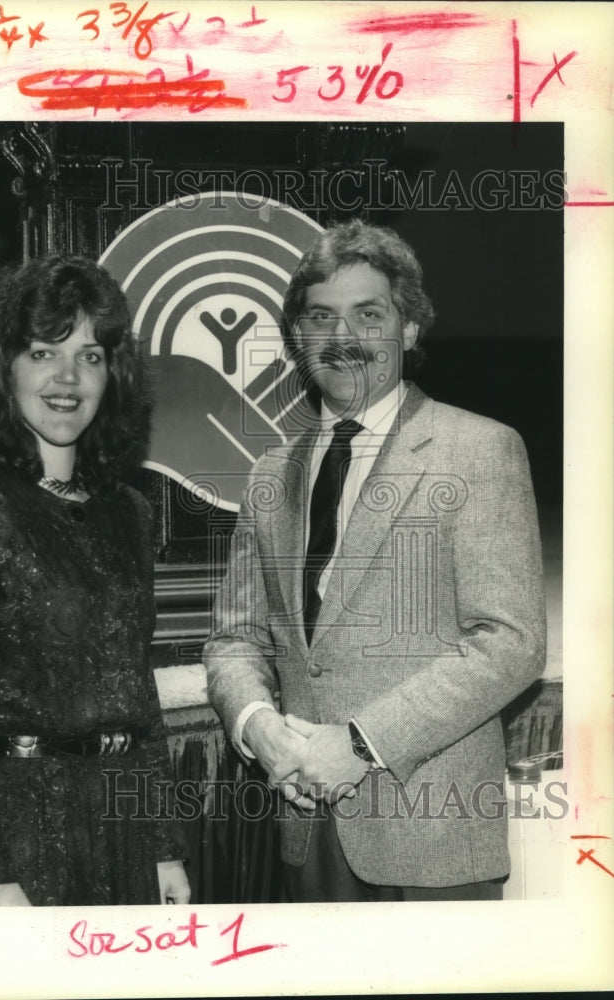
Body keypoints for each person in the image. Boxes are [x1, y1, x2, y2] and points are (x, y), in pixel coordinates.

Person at [204, 219, 546, 902]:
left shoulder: (478, 449)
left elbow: (510, 644)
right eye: (320, 316)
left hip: (433, 839)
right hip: (305, 831)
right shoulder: (270, 473)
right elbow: (234, 638)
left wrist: (358, 746)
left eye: (369, 314)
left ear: (408, 329)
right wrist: (258, 728)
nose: (343, 338)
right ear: (299, 336)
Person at [0, 255, 190, 907]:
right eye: (42, 351)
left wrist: (165, 845)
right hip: (14, 833)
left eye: (89, 356)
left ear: (111, 375)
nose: (67, 378)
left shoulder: (130, 513)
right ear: (2, 367)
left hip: (122, 830)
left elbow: (134, 692)